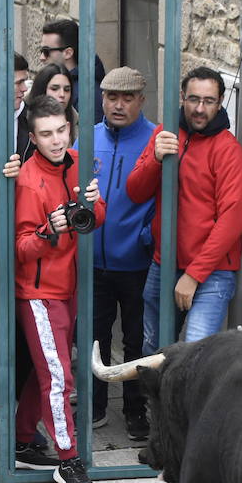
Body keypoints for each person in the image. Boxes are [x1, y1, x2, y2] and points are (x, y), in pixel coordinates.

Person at [12, 95, 105, 483]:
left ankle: (20, 441)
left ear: (71, 128)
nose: (56, 140)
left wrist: (93, 203)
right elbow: (20, 248)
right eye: (46, 134)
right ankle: (69, 460)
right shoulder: (28, 179)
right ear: (32, 137)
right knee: (59, 377)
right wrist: (50, 231)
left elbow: (96, 217)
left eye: (61, 131)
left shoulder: (80, 162)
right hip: (38, 292)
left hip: (69, 288)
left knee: (47, 370)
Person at [126, 66, 242, 349]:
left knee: (196, 356)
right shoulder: (165, 133)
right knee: (152, 355)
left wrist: (194, 275)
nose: (200, 109)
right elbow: (135, 191)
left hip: (213, 271)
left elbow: (231, 219)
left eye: (208, 101)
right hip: (164, 262)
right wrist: (156, 159)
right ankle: (156, 398)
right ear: (182, 97)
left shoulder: (228, 150)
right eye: (194, 99)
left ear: (220, 103)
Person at [90, 67, 156, 442]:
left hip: (138, 263)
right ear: (102, 99)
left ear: (140, 101)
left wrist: (146, 236)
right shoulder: (88, 138)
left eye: (127, 98)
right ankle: (96, 405)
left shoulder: (155, 139)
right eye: (111, 97)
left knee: (136, 340)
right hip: (94, 264)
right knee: (95, 335)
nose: (118, 105)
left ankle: (135, 410)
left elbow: (165, 198)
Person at [39, 18, 107, 122]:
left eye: (46, 51)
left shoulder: (87, 93)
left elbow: (93, 134)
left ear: (68, 53)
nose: (42, 57)